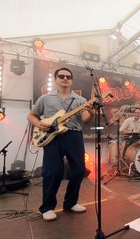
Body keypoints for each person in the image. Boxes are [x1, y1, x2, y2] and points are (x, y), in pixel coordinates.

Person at [27, 67, 95, 221]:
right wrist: (38, 124)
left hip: (74, 135)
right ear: (56, 79)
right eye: (62, 76)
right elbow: (31, 115)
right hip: (53, 137)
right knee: (52, 172)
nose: (65, 79)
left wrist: (91, 112)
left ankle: (71, 203)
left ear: (71, 80)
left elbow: (85, 120)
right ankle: (47, 207)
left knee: (79, 170)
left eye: (68, 77)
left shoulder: (80, 100)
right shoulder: (45, 98)